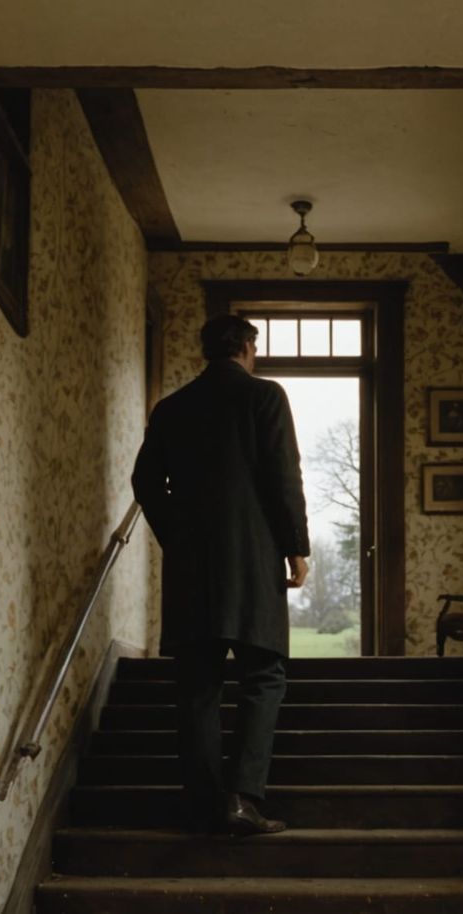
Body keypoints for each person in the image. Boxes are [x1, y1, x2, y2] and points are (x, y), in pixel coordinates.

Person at [131, 314, 310, 835]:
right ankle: (242, 798)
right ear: (249, 348)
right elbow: (283, 476)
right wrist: (296, 548)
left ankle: (205, 803)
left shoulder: (171, 408)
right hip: (253, 562)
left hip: (191, 569)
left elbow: (144, 481)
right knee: (263, 676)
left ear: (206, 350)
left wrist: (177, 536)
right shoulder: (265, 397)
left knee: (196, 687)